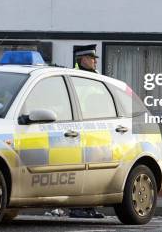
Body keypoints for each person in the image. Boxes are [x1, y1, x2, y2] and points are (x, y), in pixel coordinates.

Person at [70, 44, 104, 219]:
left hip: (95, 130)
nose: (95, 61)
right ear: (82, 59)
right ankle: (77, 207)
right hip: (81, 130)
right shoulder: (76, 77)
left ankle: (89, 207)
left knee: (94, 172)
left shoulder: (93, 77)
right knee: (83, 170)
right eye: (92, 58)